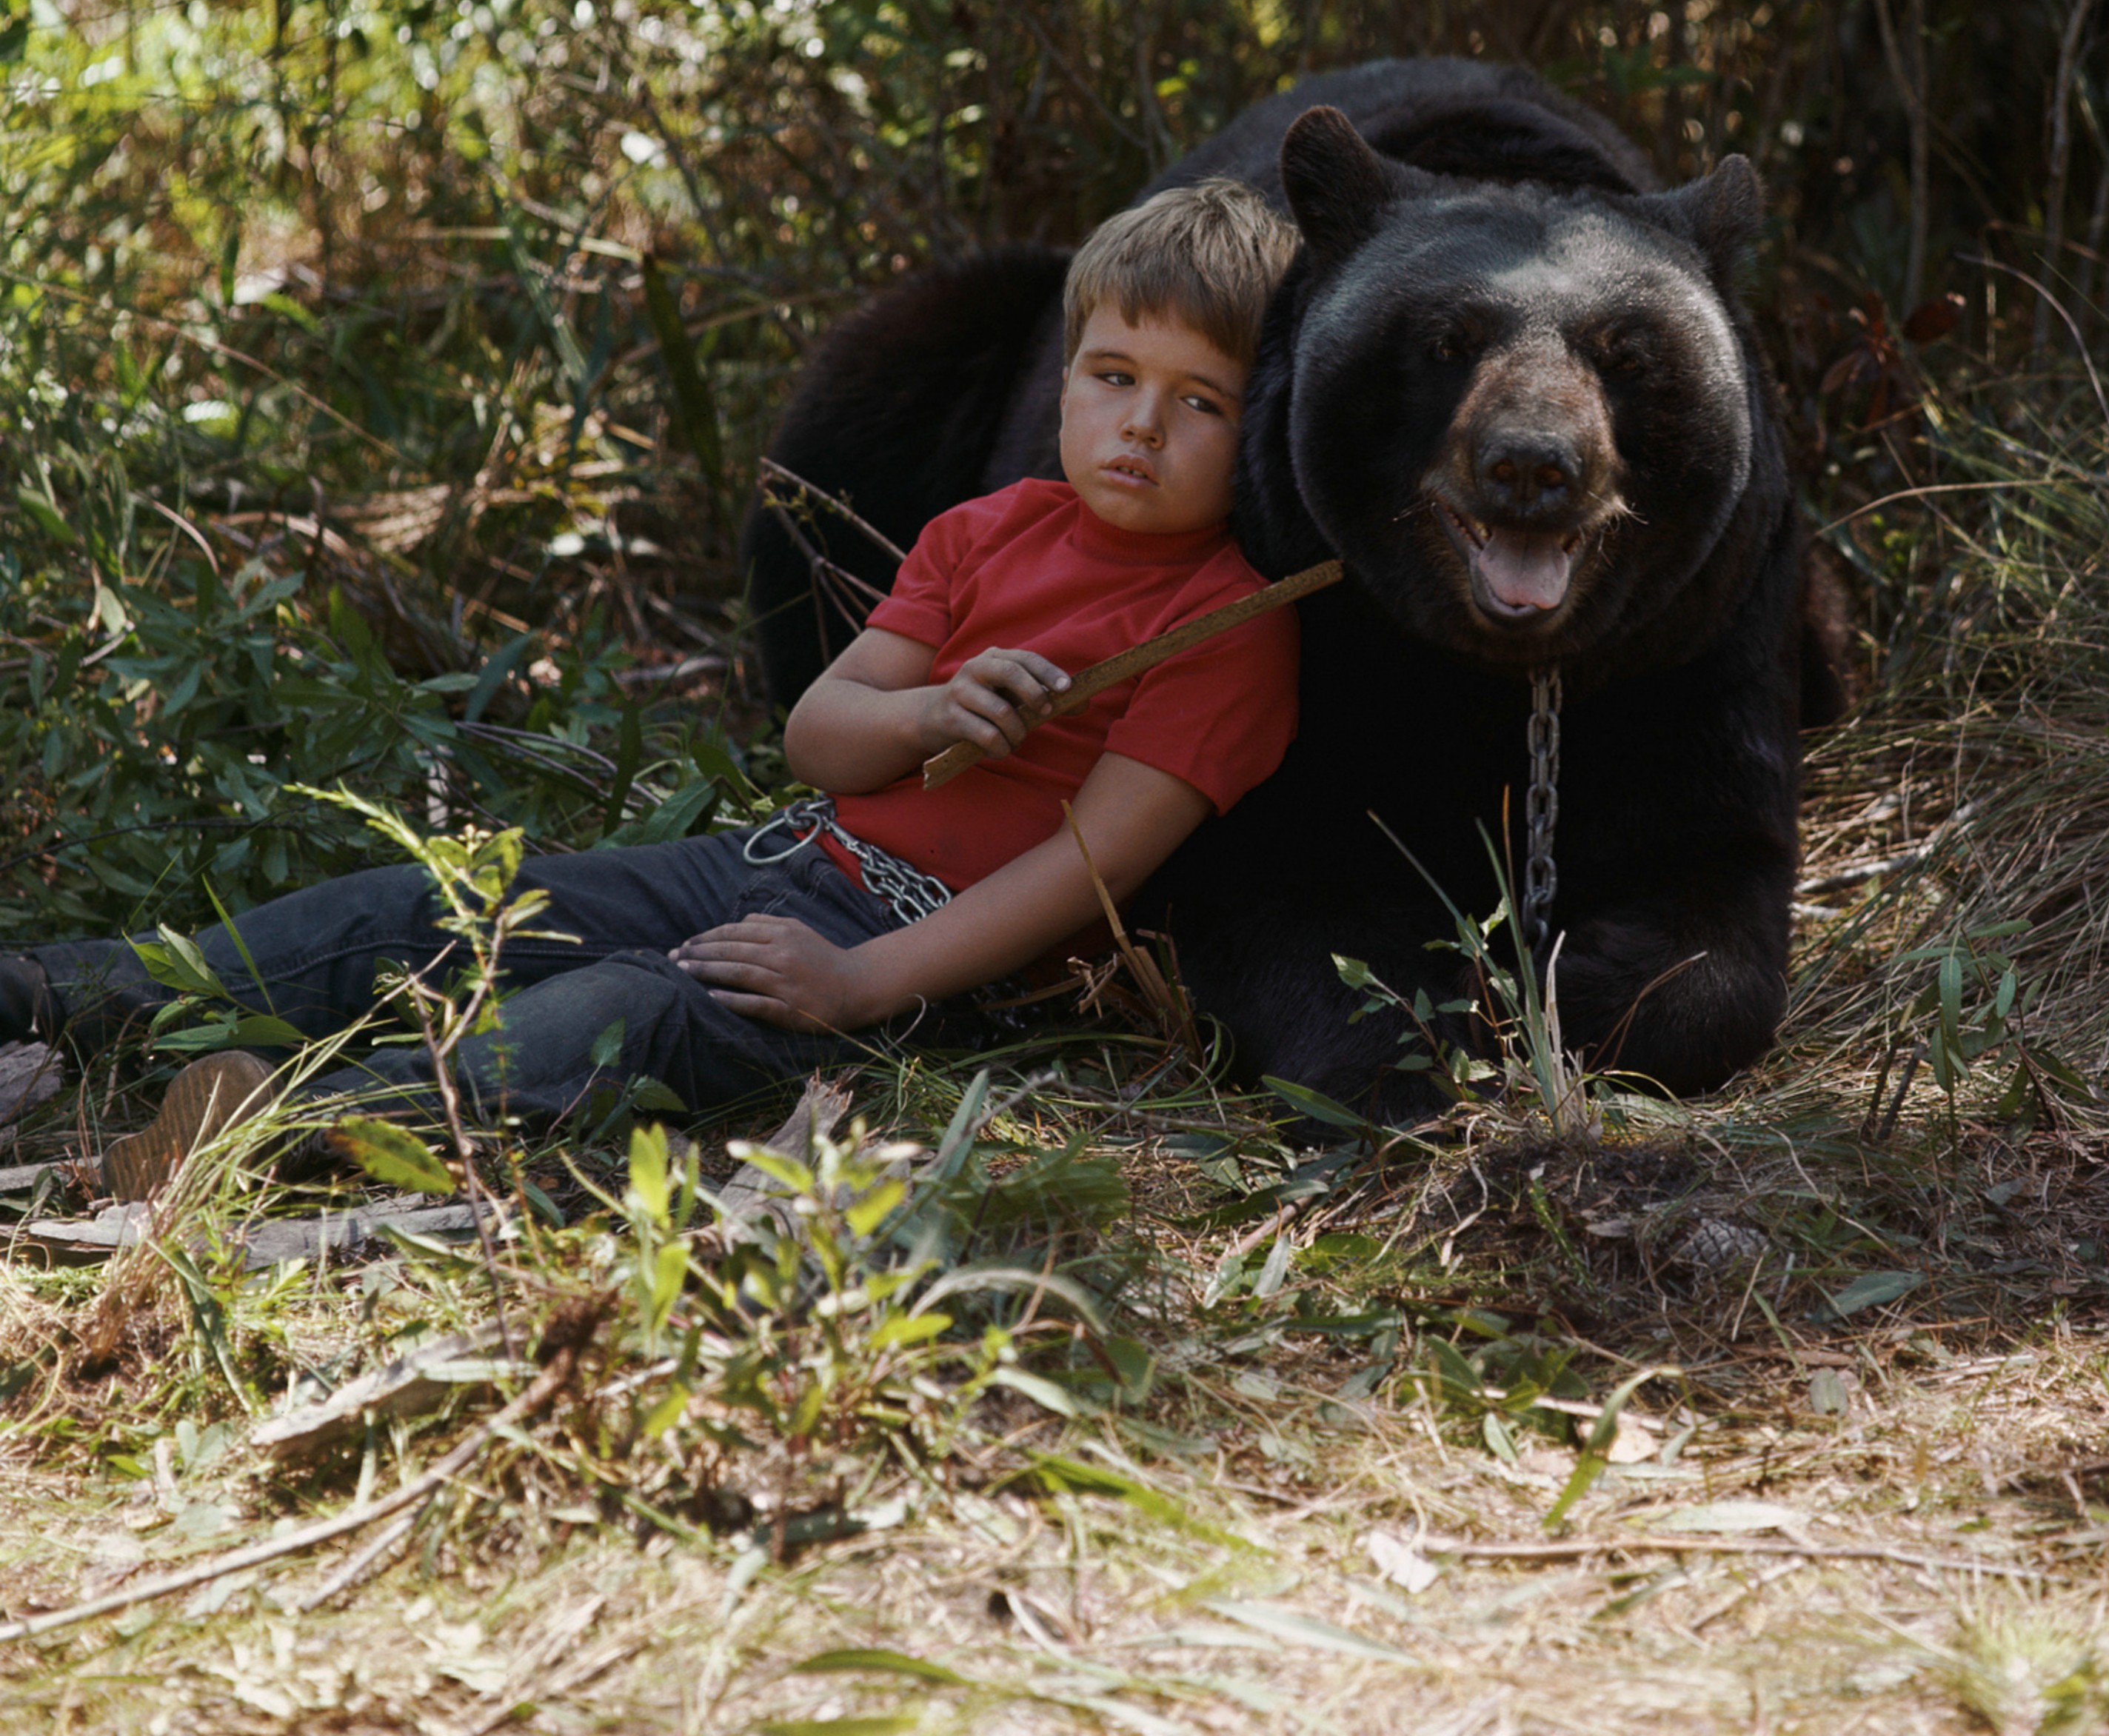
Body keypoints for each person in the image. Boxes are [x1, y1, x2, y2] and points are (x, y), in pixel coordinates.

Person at [2, 180, 1303, 1196]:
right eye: (1114, 378)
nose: (1141, 425)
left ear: (1258, 431)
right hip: (774, 856)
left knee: (630, 1016)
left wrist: (862, 988)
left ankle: (276, 1121)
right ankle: (74, 990)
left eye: (1200, 403)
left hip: (915, 961)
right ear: (1065, 378)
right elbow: (820, 740)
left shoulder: (1225, 627)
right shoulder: (987, 530)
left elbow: (1084, 874)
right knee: (458, 900)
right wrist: (922, 714)